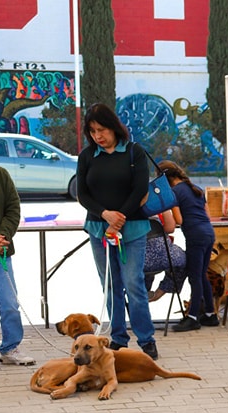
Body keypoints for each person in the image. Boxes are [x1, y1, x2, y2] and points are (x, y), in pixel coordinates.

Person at [76, 103, 158, 359]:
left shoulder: (134, 152)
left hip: (131, 229)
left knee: (134, 283)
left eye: (102, 129)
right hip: (99, 229)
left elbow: (139, 189)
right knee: (110, 285)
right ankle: (118, 336)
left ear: (114, 127)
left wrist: (119, 217)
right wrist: (105, 215)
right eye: (92, 131)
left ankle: (146, 339)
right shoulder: (87, 156)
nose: (98, 136)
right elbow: (82, 194)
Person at [0, 125, 36, 369]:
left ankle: (11, 348)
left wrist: (2, 236)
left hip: (0, 252)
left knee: (9, 302)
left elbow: (13, 208)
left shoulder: (0, 174)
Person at [157, 161, 219, 331]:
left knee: (195, 276)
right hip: (208, 233)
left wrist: (165, 209)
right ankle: (210, 314)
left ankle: (192, 318)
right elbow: (206, 214)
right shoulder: (196, 188)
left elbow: (179, 220)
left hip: (195, 236)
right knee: (202, 274)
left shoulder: (174, 193)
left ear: (165, 179)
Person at [144, 212, 187, 303]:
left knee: (143, 271)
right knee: (184, 261)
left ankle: (142, 294)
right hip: (165, 259)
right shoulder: (158, 203)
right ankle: (159, 293)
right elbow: (170, 228)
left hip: (138, 262)